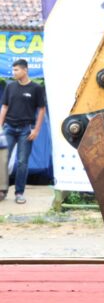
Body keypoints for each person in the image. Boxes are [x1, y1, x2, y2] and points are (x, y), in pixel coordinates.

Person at [0, 59, 46, 204]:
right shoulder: (10, 86)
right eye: (13, 70)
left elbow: (42, 110)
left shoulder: (36, 88)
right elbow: (4, 107)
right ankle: (2, 191)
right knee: (3, 161)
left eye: (16, 70)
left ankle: (19, 193)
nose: (13, 73)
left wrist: (36, 130)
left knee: (22, 162)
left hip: (26, 130)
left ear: (25, 70)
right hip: (8, 128)